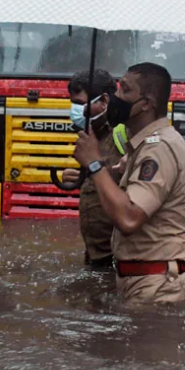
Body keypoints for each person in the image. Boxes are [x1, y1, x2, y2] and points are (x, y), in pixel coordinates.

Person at [73, 62, 185, 304]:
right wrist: (89, 173)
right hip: (146, 282)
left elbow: (129, 217)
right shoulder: (143, 147)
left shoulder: (158, 149)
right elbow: (122, 182)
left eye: (125, 90)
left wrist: (95, 163)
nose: (116, 97)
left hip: (158, 288)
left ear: (146, 104)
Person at [61, 69, 124, 266]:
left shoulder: (123, 133)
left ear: (104, 100)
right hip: (96, 255)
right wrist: (82, 177)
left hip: (119, 257)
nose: (74, 110)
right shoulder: (90, 136)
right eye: (72, 103)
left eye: (79, 104)